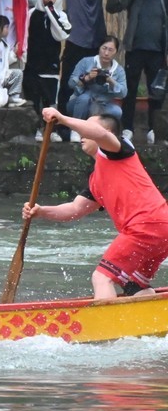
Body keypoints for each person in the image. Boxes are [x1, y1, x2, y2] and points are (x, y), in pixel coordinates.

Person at [24, 108, 168, 299]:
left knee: (101, 277)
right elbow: (74, 210)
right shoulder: (96, 180)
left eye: (88, 127)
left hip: (145, 225)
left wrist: (63, 119)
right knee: (133, 284)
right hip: (160, 228)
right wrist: (40, 211)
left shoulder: (120, 148)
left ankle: (108, 328)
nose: (82, 133)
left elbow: (100, 134)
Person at [107, 0, 167, 144]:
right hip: (135, 51)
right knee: (130, 90)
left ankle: (153, 129)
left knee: (156, 92)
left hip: (157, 52)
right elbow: (113, 8)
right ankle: (127, 128)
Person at [59, 0, 119, 109]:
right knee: (67, 83)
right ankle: (60, 125)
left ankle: (88, 123)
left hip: (95, 46)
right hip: (74, 44)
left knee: (94, 85)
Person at [25, 0, 73, 139]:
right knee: (33, 98)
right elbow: (26, 35)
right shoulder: (32, 14)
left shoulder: (61, 15)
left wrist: (51, 11)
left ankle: (50, 130)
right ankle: (36, 128)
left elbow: (62, 34)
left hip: (50, 63)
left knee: (50, 98)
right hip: (32, 62)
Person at [66, 35, 126, 124]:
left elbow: (123, 93)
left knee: (117, 111)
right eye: (104, 48)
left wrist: (111, 80)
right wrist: (87, 78)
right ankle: (76, 129)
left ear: (116, 52)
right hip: (80, 103)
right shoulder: (86, 62)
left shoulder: (118, 70)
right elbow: (70, 83)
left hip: (103, 104)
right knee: (84, 98)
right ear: (99, 48)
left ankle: (98, 131)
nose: (106, 53)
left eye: (110, 50)